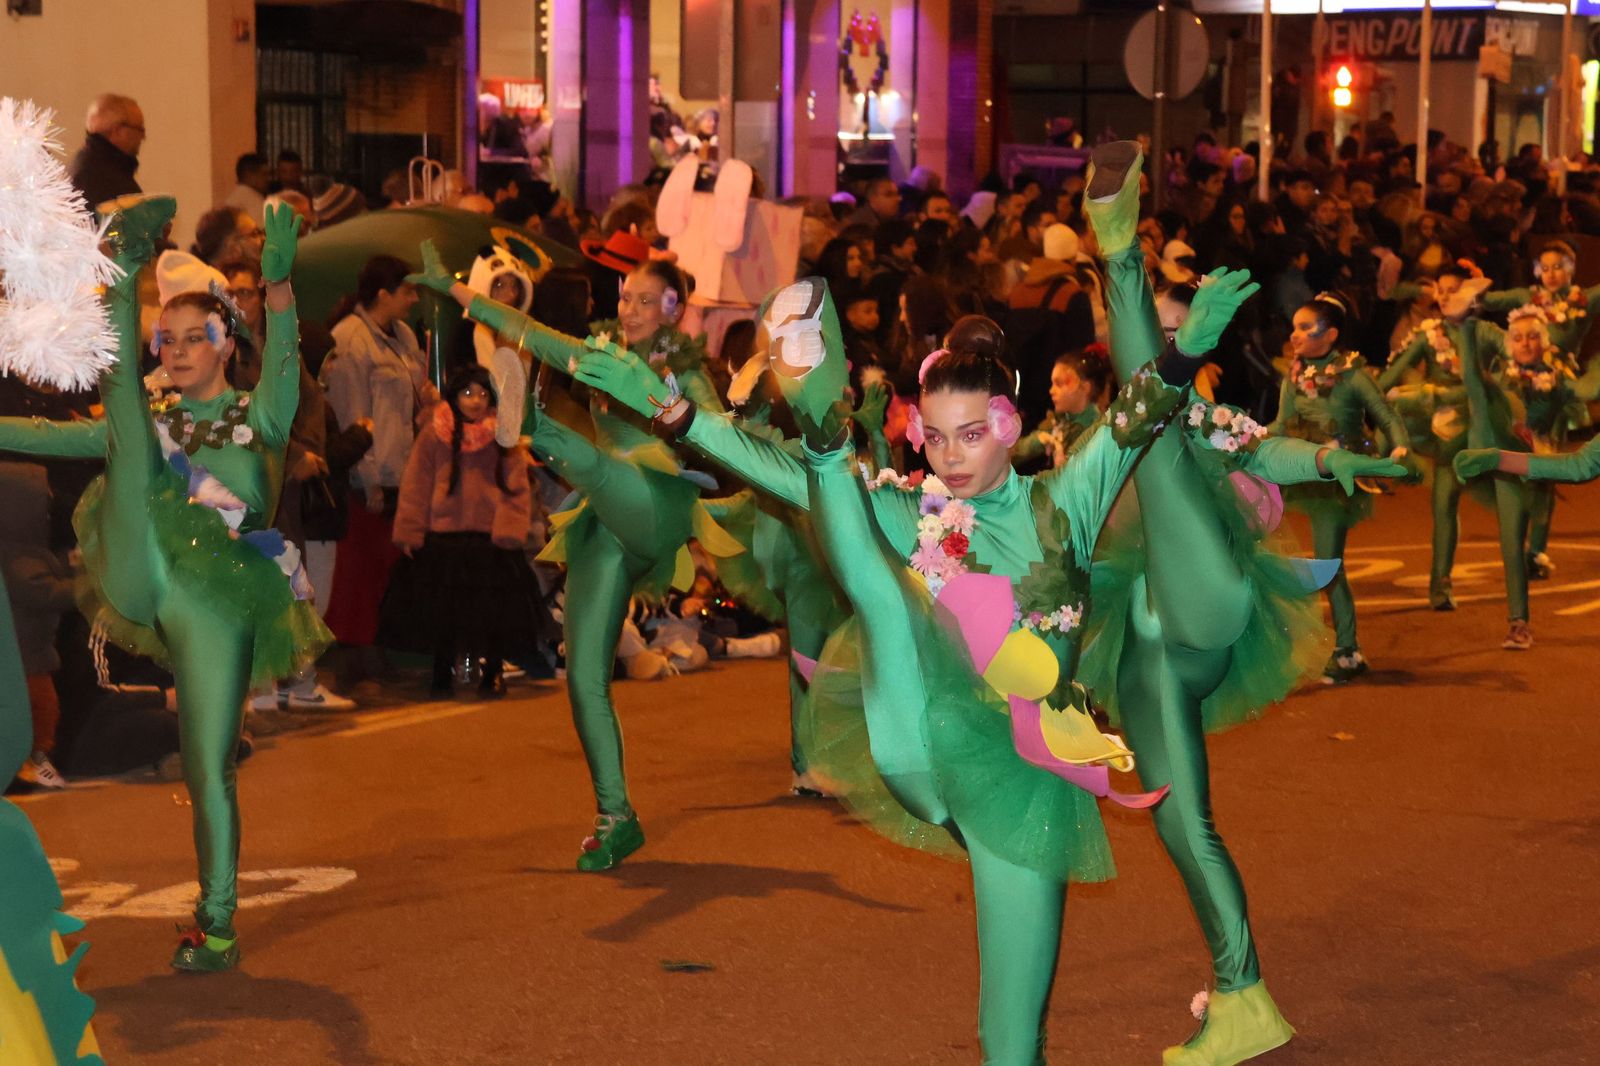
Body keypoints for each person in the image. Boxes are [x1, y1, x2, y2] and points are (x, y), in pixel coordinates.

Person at [570, 254, 1266, 1062]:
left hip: (1023, 779)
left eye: (969, 435)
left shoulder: (1064, 502)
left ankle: (824, 432)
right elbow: (781, 479)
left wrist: (1186, 352)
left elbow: (1135, 417)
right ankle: (824, 429)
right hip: (926, 740)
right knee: (879, 578)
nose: (950, 457)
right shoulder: (925, 513)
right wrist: (677, 416)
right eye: (933, 438)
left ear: (1008, 425)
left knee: (1008, 1041)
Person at [0, 199, 330, 971]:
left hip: (220, 602)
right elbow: (51, 435)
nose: (178, 351)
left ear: (225, 344)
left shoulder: (262, 416)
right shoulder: (151, 419)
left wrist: (279, 288)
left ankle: (216, 921)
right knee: (129, 426)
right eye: (166, 340)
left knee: (207, 766)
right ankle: (122, 269)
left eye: (193, 338)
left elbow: (284, 354)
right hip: (147, 568)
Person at [407, 247, 746, 870]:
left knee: (596, 465)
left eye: (647, 301)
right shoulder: (601, 354)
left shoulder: (684, 371)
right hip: (605, 521)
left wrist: (684, 410)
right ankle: (616, 816)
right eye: (626, 298)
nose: (631, 310)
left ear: (674, 310)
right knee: (584, 676)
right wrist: (454, 292)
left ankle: (532, 424)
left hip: (655, 502)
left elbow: (724, 438)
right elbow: (528, 330)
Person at [1268, 294, 1411, 683]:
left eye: (1305, 327)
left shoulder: (1352, 375)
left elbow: (1385, 415)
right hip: (1308, 473)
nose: (1294, 335)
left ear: (1330, 334)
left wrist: (1398, 446)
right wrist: (1248, 440)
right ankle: (1345, 648)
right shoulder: (1295, 375)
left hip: (1339, 479)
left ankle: (1348, 650)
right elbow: (1282, 423)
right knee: (1326, 564)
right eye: (1294, 327)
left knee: (1329, 563)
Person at [381, 365, 545, 698]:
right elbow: (416, 483)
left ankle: (493, 671)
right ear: (454, 396)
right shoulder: (434, 432)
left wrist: (509, 530)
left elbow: (517, 486)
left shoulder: (504, 436)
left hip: (491, 540)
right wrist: (410, 531)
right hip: (445, 538)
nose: (475, 401)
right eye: (468, 393)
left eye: (483, 394)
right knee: (443, 613)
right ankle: (441, 672)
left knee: (494, 613)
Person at [319, 255, 430, 690]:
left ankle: (376, 650)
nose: (414, 299)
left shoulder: (403, 336)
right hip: (370, 470)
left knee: (386, 564)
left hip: (402, 467)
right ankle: (355, 658)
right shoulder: (350, 339)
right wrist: (364, 477)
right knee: (359, 567)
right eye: (408, 291)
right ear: (383, 294)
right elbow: (353, 413)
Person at [1010, 345, 1111, 470]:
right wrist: (1038, 440)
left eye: (1059, 383)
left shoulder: (1095, 432)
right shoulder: (1061, 421)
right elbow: (1012, 456)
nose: (1051, 391)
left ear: (1085, 387)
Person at [67, 93, 143, 208]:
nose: (143, 136)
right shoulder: (104, 180)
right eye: (139, 129)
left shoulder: (85, 165)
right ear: (117, 130)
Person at [224, 152, 271, 224]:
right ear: (249, 175)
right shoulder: (253, 201)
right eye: (264, 174)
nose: (268, 179)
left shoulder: (233, 198)